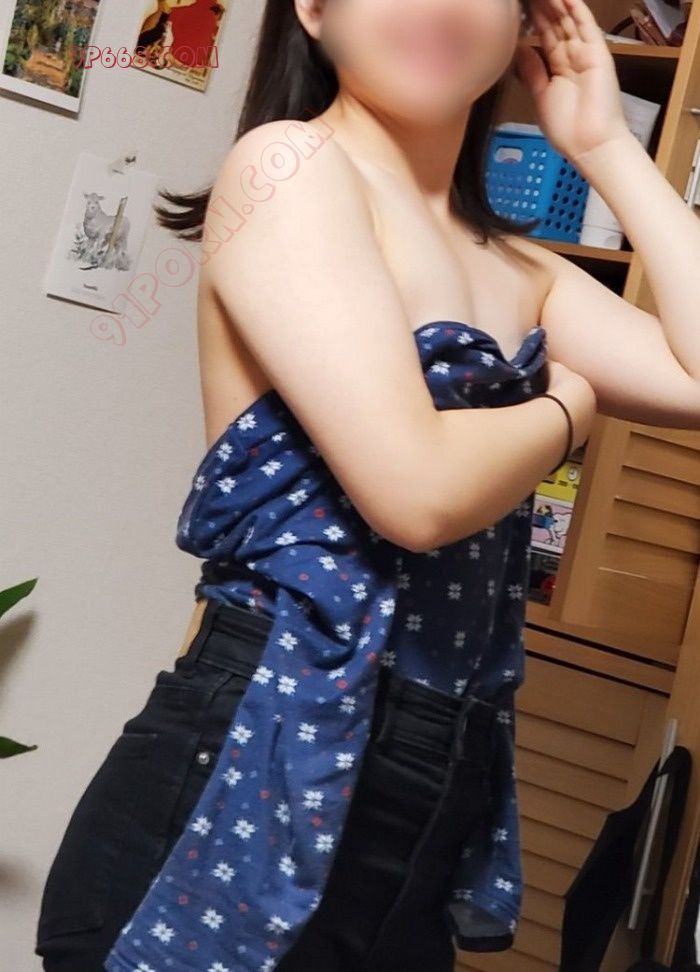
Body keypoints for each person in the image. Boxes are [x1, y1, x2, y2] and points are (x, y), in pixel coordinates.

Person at [35, 0, 700, 969]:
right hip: (252, 754)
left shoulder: (522, 268)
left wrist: (607, 149)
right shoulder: (290, 167)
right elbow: (415, 493)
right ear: (314, 9)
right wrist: (567, 409)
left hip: (432, 790)